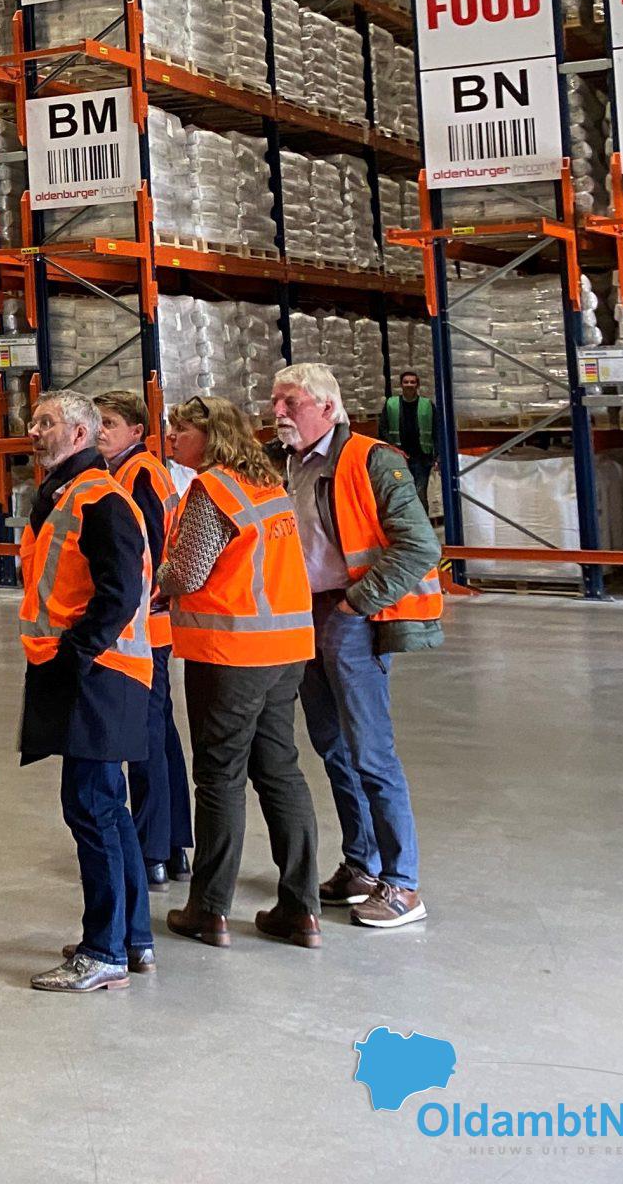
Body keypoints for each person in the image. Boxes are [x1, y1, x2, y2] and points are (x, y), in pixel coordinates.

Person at [270, 362, 444, 931]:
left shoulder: (371, 460)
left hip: (351, 614)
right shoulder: (289, 463)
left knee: (370, 750)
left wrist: (355, 604)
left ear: (327, 407)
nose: (279, 413)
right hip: (308, 614)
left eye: (291, 402)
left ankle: (403, 883)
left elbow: (419, 546)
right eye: (276, 402)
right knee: (332, 747)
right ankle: (362, 865)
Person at [161, 396, 321, 949]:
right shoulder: (266, 484)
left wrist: (153, 577)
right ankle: (302, 911)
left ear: (212, 437)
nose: (173, 439)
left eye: (182, 430)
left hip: (231, 653)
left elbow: (189, 571)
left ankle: (209, 911)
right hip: (286, 648)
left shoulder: (214, 490)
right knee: (279, 770)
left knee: (220, 777)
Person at [19, 390, 156, 993]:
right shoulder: (66, 494)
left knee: (92, 809)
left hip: (99, 673)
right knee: (106, 809)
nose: (34, 431)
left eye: (47, 422)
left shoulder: (99, 497)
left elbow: (120, 590)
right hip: (90, 671)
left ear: (80, 435)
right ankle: (131, 939)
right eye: (33, 421)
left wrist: (76, 653)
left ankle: (104, 952)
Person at [94, 392, 191, 889]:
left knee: (146, 735)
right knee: (160, 731)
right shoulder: (134, 471)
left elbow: (146, 553)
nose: (101, 431)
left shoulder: (138, 475)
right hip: (152, 625)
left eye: (110, 423)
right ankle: (171, 844)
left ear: (136, 431)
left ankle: (152, 846)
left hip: (145, 629)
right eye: (97, 422)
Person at [377, 372, 439, 504]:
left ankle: (421, 517)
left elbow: (436, 431)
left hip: (422, 457)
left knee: (420, 494)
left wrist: (437, 456)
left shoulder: (427, 405)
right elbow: (383, 429)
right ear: (401, 385)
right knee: (400, 492)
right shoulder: (391, 404)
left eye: (412, 382)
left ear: (418, 385)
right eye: (406, 382)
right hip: (398, 457)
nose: (409, 385)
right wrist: (394, 448)